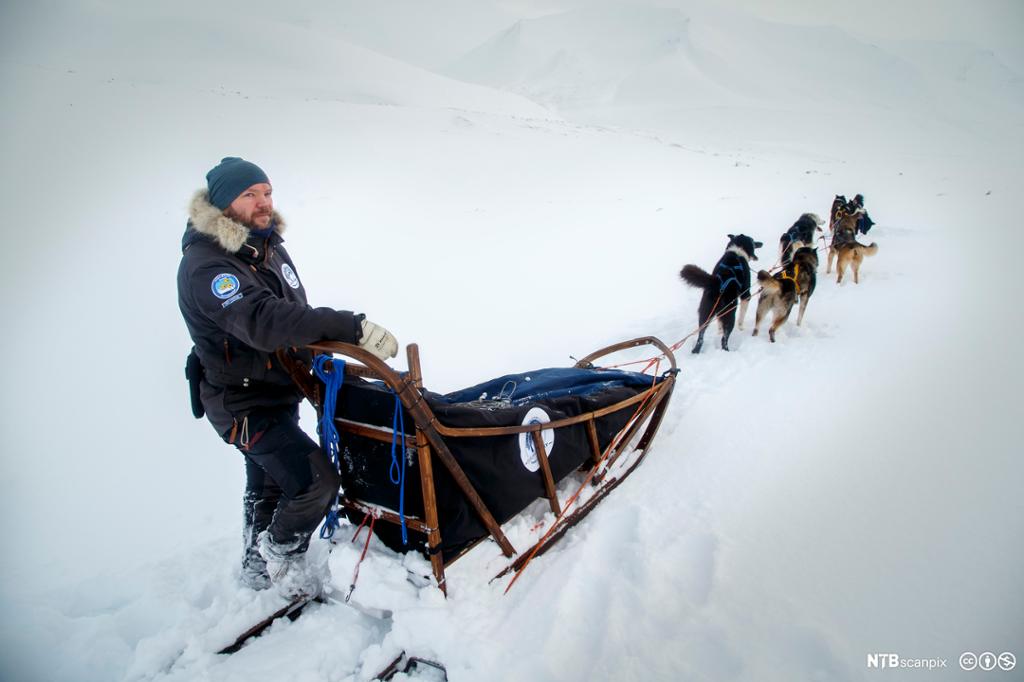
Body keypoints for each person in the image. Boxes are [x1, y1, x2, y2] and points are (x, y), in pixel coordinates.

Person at [177, 157, 398, 599]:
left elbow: (291, 312)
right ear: (222, 204)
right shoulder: (207, 266)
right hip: (241, 404)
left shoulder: (266, 246)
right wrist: (347, 328)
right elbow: (263, 320)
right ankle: (280, 557)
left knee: (270, 482)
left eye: (267, 192)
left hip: (275, 393)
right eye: (249, 195)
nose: (263, 203)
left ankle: (255, 571)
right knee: (316, 483)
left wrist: (314, 357)